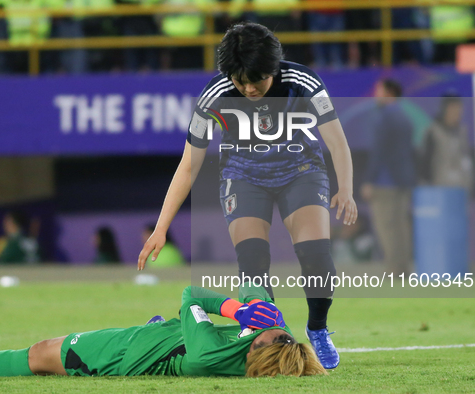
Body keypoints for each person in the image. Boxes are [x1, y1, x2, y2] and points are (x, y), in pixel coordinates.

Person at [138, 22, 357, 370]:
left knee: (317, 257)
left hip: (300, 171)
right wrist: (161, 227)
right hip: (243, 177)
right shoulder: (215, 95)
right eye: (242, 82)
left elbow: (337, 141)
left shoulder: (304, 83)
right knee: (253, 263)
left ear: (274, 68)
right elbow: (188, 166)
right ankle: (273, 340)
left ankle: (317, 328)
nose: (250, 88)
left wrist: (345, 188)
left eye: (259, 80)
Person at [0, 286, 327, 378]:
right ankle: (155, 331)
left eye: (276, 333)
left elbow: (190, 297)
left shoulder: (208, 359)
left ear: (261, 353)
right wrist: (261, 305)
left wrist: (235, 309)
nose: (278, 329)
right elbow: (259, 296)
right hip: (164, 341)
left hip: (122, 357)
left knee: (42, 353)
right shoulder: (269, 348)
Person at [361, 79, 415, 276]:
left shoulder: (384, 118)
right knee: (401, 227)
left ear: (389, 93)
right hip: (403, 180)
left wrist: (369, 180)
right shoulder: (405, 117)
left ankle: (394, 271)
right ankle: (404, 269)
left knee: (386, 228)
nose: (376, 94)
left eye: (379, 90)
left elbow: (379, 152)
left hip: (385, 182)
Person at [420, 92, 473, 192]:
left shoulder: (462, 132)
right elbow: (425, 163)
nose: (458, 112)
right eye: (454, 108)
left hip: (461, 189)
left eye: (459, 109)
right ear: (446, 109)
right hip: (441, 189)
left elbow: (466, 158)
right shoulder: (433, 132)